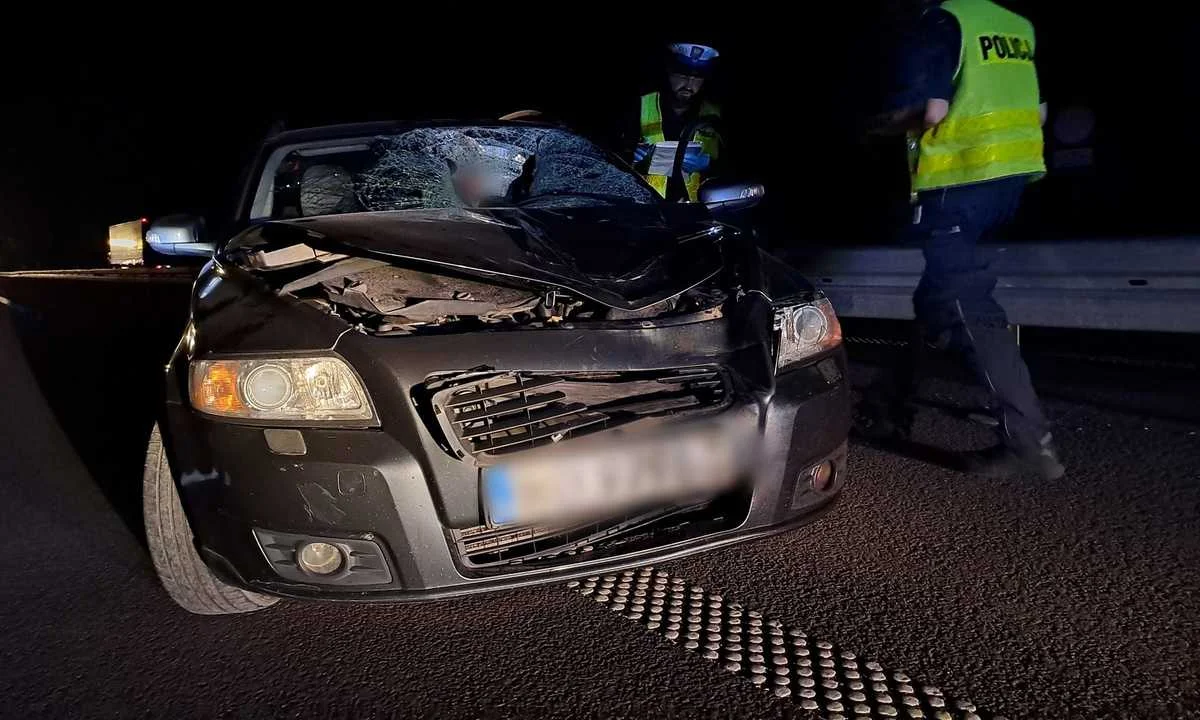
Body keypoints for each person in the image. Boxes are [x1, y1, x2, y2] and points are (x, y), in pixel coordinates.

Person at [858, 0, 1065, 480]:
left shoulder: (938, 21)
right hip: (1011, 184)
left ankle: (1029, 443)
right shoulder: (1017, 25)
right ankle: (889, 404)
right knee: (936, 295)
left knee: (963, 303)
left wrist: (877, 127)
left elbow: (931, 111)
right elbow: (1038, 113)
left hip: (961, 184)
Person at [633, 43, 723, 202]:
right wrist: (631, 157)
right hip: (645, 210)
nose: (689, 85)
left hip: (693, 211)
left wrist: (710, 165)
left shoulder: (714, 113)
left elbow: (733, 165)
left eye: (697, 78)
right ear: (668, 71)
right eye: (682, 75)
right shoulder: (639, 106)